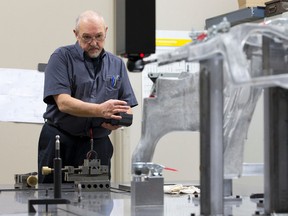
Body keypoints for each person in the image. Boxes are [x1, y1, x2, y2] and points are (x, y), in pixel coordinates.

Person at [38, 10, 138, 183]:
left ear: (106, 31)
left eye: (99, 36)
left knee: (97, 203)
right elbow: (63, 103)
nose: (94, 43)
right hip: (61, 141)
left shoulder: (116, 64)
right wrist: (101, 110)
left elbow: (127, 105)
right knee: (54, 202)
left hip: (98, 143)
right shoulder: (61, 58)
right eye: (87, 38)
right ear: (76, 34)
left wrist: (119, 119)